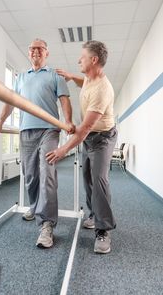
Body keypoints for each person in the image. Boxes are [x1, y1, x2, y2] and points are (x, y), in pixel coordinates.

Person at [0, 38, 74, 249]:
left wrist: (68, 121)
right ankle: (36, 206)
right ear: (28, 53)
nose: (35, 51)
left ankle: (47, 224)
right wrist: (0, 122)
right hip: (26, 131)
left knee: (47, 172)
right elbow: (10, 101)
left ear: (46, 53)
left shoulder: (55, 75)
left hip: (49, 130)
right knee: (30, 176)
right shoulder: (20, 77)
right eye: (32, 48)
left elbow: (64, 99)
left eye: (40, 48)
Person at [46, 40, 117, 254]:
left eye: (82, 57)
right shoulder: (89, 77)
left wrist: (62, 150)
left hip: (102, 138)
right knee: (87, 177)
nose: (79, 60)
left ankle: (103, 230)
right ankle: (94, 215)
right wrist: (70, 76)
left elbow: (84, 129)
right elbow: (82, 81)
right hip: (89, 138)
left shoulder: (102, 90)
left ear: (93, 60)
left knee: (99, 179)